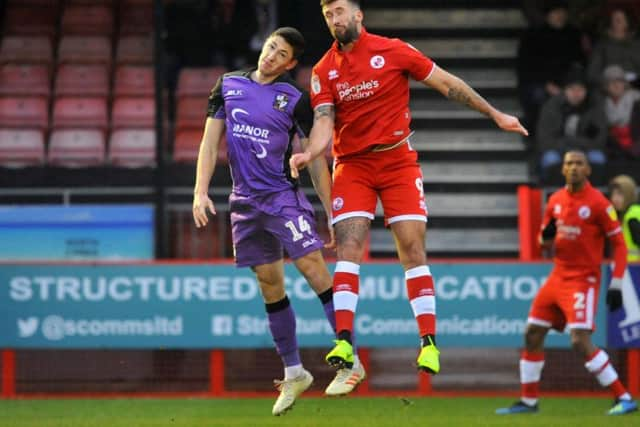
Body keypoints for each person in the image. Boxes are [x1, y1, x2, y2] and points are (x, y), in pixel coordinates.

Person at [289, 0, 528, 378]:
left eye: (339, 12)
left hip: (398, 161)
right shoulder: (323, 71)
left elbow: (448, 83)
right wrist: (309, 154)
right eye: (327, 15)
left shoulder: (394, 50)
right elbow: (322, 122)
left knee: (412, 248)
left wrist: (495, 114)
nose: (334, 20)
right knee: (349, 244)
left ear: (358, 14)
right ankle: (345, 340)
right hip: (352, 165)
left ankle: (429, 343)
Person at [191, 26, 364, 416]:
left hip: (282, 198)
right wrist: (200, 191)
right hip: (244, 203)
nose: (270, 55)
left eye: (279, 53)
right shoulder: (228, 84)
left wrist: (333, 211)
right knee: (270, 285)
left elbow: (315, 158)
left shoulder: (295, 99)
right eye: (269, 46)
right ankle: (294, 372)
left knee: (313, 268)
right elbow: (209, 142)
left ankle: (350, 358)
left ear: (290, 63)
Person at [496, 150, 638, 416]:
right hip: (557, 276)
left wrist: (617, 282)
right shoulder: (556, 201)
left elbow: (618, 245)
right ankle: (528, 402)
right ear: (562, 170)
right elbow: (544, 242)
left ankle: (625, 397)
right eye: (569, 163)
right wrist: (545, 238)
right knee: (532, 333)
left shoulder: (598, 203)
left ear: (588, 170)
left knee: (579, 339)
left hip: (583, 279)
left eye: (579, 164)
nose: (573, 168)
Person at [517, 0, 586, 134]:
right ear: (548, 15)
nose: (560, 15)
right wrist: (546, 84)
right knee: (538, 96)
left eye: (562, 12)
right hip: (539, 83)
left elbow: (579, 63)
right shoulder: (533, 35)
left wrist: (570, 86)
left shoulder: (573, 34)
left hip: (568, 83)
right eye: (556, 12)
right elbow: (526, 67)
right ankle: (538, 135)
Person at [536, 64, 608, 185]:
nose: (576, 93)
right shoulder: (552, 107)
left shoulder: (595, 107)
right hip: (558, 149)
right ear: (565, 90)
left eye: (580, 90)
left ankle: (594, 197)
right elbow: (544, 139)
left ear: (586, 91)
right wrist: (567, 147)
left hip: (587, 150)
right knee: (550, 159)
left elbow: (600, 138)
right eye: (572, 89)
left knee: (598, 158)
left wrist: (577, 146)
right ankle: (556, 197)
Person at [610, 175, 640, 327]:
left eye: (620, 194)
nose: (615, 198)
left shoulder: (631, 216)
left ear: (628, 194)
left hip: (635, 272)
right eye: (613, 194)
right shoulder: (632, 212)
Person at [587, 7, 640, 88]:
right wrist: (610, 83)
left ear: (628, 22)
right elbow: (592, 73)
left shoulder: (637, 44)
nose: (617, 21)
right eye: (614, 19)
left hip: (635, 85)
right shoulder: (602, 45)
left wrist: (634, 82)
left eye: (621, 18)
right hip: (609, 86)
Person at [603, 65, 640, 159]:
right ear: (606, 86)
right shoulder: (603, 103)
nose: (616, 85)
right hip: (614, 148)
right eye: (611, 82)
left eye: (619, 81)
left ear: (625, 84)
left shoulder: (637, 99)